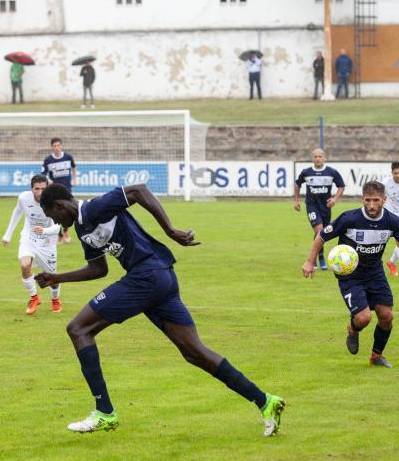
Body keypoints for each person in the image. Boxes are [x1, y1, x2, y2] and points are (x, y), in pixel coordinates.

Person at [35, 183, 286, 436]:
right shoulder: (82, 227)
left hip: (147, 275)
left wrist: (169, 230)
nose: (56, 223)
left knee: (78, 329)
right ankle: (266, 402)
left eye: (53, 216)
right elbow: (98, 269)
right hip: (158, 277)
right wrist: (57, 278)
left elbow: (138, 191)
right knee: (194, 352)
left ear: (59, 206)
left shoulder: (96, 206)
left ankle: (104, 412)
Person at [302, 181, 399, 369]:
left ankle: (376, 356)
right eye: (368, 200)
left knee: (386, 316)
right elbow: (322, 236)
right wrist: (309, 261)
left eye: (376, 200)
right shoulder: (350, 218)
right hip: (351, 276)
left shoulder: (391, 221)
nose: (371, 205)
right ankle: (353, 329)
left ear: (384, 200)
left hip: (375, 273)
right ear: (362, 199)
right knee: (363, 318)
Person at [2, 174, 62, 314]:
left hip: (47, 241)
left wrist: (45, 231)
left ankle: (55, 299)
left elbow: (58, 227)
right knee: (24, 265)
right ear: (31, 189)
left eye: (43, 189)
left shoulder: (54, 201)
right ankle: (34, 298)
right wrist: (8, 234)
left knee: (52, 276)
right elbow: (17, 212)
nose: (40, 192)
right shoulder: (24, 198)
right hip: (29, 236)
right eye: (36, 189)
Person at [293, 148, 345, 270]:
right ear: (312, 158)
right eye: (315, 156)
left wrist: (334, 199)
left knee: (322, 233)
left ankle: (320, 255)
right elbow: (297, 184)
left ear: (324, 157)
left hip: (325, 207)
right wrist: (296, 200)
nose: (317, 159)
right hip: (312, 206)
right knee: (319, 229)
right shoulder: (306, 172)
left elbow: (341, 186)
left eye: (320, 156)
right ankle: (316, 258)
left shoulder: (331, 172)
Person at [42, 137, 77, 243]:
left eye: (58, 145)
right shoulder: (48, 160)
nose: (56, 148)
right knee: (55, 212)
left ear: (61, 146)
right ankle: (60, 235)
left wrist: (74, 179)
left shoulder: (68, 157)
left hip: (66, 190)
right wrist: (48, 180)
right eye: (54, 146)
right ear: (51, 147)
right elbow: (43, 174)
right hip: (55, 191)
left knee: (68, 211)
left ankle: (66, 231)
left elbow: (74, 167)